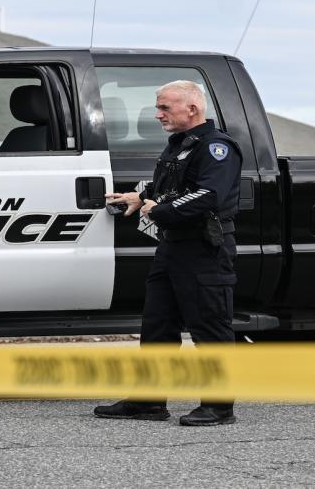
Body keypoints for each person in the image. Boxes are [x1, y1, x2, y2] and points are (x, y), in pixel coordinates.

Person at [94, 80, 242, 427]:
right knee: (157, 326)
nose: (157, 114)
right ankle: (149, 401)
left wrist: (155, 209)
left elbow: (208, 195)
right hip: (173, 247)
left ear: (192, 109)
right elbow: (167, 186)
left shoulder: (217, 147)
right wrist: (138, 196)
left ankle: (219, 407)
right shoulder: (180, 145)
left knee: (210, 327)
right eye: (158, 107)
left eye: (164, 107)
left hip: (204, 249)